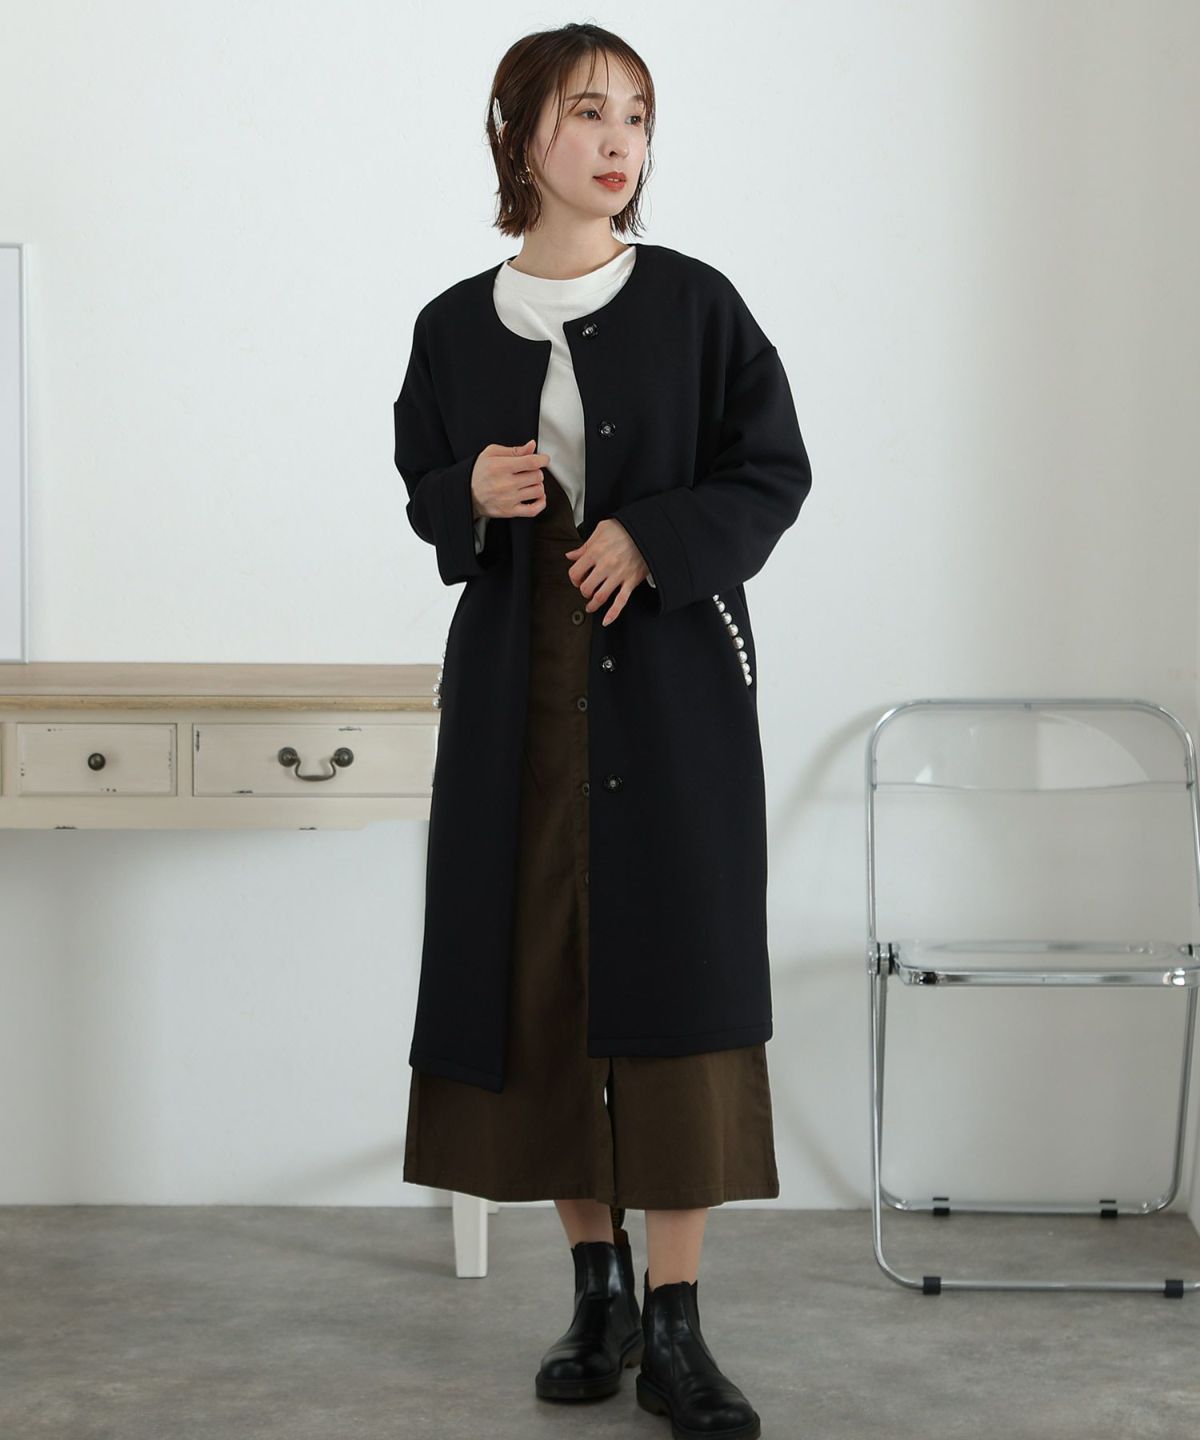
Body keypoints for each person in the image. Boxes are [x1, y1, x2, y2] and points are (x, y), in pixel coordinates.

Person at [395, 21, 812, 1440]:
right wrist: (471, 491)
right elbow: (422, 485)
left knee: (680, 987)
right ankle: (599, 1293)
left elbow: (772, 470)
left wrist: (656, 535)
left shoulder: (696, 304)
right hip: (519, 697)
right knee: (544, 983)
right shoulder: (455, 325)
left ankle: (678, 1324)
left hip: (673, 693)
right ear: (521, 135)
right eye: (586, 112)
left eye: (635, 112)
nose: (618, 138)